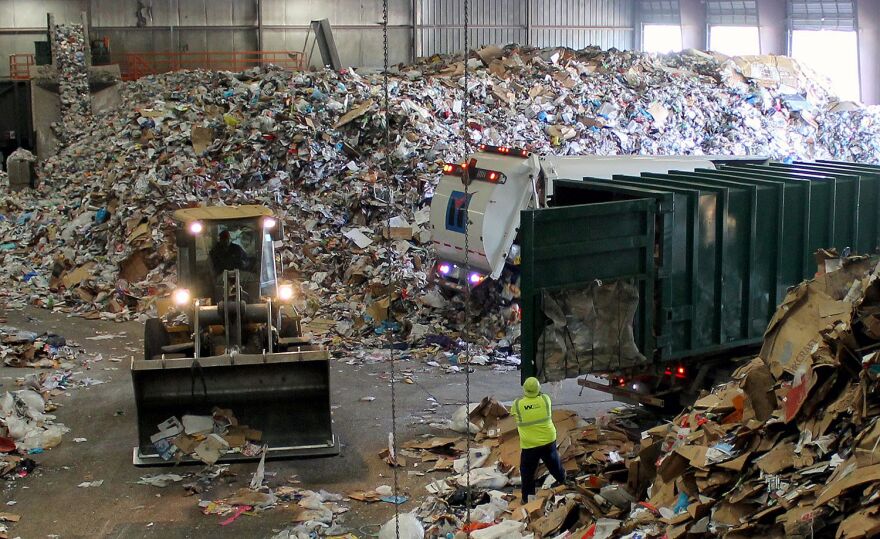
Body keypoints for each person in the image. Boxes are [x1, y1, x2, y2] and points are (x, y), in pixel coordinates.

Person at [513, 376, 567, 501]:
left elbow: (514, 413)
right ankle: (564, 482)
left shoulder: (517, 404)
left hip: (530, 445)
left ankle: (528, 498)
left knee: (528, 472)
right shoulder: (545, 399)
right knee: (554, 464)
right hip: (548, 440)